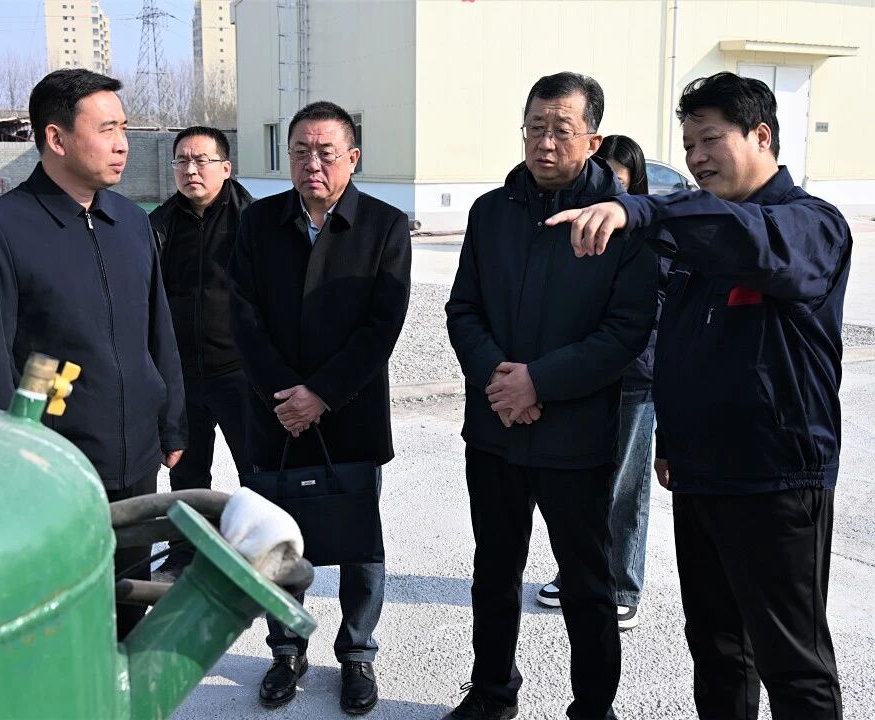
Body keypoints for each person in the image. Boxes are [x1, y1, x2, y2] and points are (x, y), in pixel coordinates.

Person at [548, 71, 850, 720]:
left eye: (710, 139)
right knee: (717, 653)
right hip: (700, 477)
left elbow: (752, 242)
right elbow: (681, 348)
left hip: (775, 480)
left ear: (761, 136)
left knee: (792, 665)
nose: (696, 156)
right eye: (688, 144)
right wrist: (670, 439)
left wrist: (642, 207)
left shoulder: (808, 225)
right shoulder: (699, 238)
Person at [445, 73, 657, 720]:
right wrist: (500, 380)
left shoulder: (619, 221)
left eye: (561, 129)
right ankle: (491, 693)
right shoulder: (491, 212)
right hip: (494, 429)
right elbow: (463, 310)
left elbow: (625, 330)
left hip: (576, 435)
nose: (544, 142)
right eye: (534, 127)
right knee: (494, 571)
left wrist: (539, 382)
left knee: (587, 581)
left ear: (592, 140)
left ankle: (593, 707)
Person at [0, 69, 187, 641]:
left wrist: (172, 422)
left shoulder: (131, 222)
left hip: (137, 463)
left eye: (123, 128)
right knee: (64, 621)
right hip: (54, 469)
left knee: (128, 607)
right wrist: (11, 465)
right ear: (56, 138)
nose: (123, 144)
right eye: (106, 129)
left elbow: (158, 331)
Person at [229, 100, 411, 715]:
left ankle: (357, 653)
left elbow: (381, 327)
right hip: (275, 411)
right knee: (278, 541)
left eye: (326, 152)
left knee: (359, 541)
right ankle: (286, 649)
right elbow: (242, 317)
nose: (313, 163)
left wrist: (322, 395)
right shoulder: (258, 223)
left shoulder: (384, 226)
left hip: (350, 411)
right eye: (301, 151)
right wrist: (286, 395)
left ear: (352, 158)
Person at [537, 135, 667, 631]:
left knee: (625, 488)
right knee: (582, 487)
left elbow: (654, 311)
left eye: (620, 182)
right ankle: (577, 572)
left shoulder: (647, 234)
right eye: (603, 177)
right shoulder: (576, 226)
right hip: (584, 377)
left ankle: (623, 584)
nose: (609, 191)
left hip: (635, 377)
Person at [148, 126, 253, 576]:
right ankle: (185, 556)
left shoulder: (254, 220)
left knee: (257, 470)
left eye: (201, 161)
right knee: (186, 475)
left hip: (241, 373)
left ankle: (255, 556)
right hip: (182, 374)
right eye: (181, 161)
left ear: (225, 168)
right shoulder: (158, 225)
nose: (190, 170)